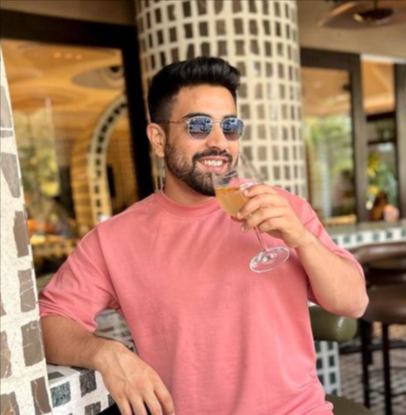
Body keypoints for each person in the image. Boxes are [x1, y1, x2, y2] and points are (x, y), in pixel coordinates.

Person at [39, 57, 369, 415]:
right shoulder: (113, 240)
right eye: (198, 126)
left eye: (230, 126)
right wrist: (106, 353)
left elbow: (353, 302)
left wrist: (303, 240)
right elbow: (46, 324)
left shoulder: (283, 208)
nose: (219, 142)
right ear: (159, 139)